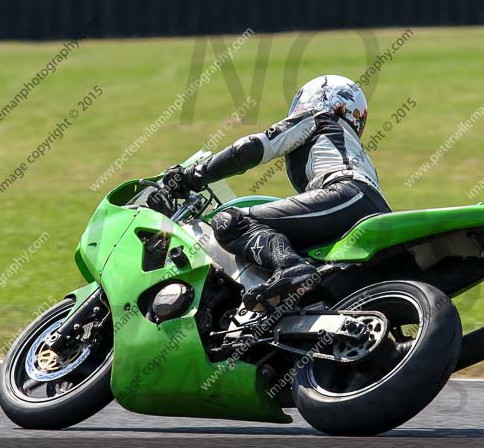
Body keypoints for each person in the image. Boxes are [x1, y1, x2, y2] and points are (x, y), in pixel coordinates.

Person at [163, 75, 390, 311]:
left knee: (231, 221)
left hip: (346, 195)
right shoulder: (352, 148)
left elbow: (249, 149)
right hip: (372, 210)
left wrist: (193, 175)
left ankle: (290, 266)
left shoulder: (317, 118)